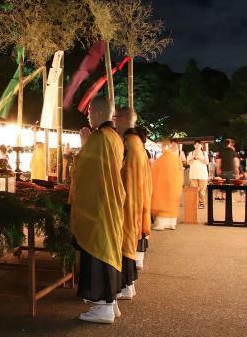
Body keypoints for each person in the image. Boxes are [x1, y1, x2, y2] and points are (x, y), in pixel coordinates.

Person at [70, 96, 125, 323]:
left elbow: (85, 168)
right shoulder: (115, 137)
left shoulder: (99, 137)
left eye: (91, 110)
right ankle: (110, 304)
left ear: (100, 113)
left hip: (98, 205)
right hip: (109, 203)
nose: (88, 114)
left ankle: (102, 306)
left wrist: (84, 144)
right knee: (108, 251)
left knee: (98, 252)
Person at [114, 107, 152, 298]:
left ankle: (125, 285)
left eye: (114, 118)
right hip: (137, 201)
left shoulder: (127, 143)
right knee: (128, 243)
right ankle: (128, 285)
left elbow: (118, 173)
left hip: (127, 201)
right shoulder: (138, 144)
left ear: (120, 119)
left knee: (123, 244)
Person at [151, 140, 184, 231]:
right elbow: (180, 171)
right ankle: (171, 224)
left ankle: (161, 225)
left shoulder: (161, 159)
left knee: (163, 203)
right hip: (174, 185)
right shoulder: (176, 158)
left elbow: (153, 171)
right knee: (172, 204)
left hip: (163, 185)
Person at [187, 140, 209, 209]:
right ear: (194, 146)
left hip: (203, 175)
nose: (197, 146)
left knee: (202, 191)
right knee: (194, 190)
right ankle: (194, 203)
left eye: (198, 144)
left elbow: (206, 162)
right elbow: (188, 163)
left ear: (201, 146)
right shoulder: (191, 153)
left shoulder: (204, 153)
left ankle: (201, 203)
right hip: (193, 175)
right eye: (195, 145)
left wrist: (199, 158)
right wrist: (194, 157)